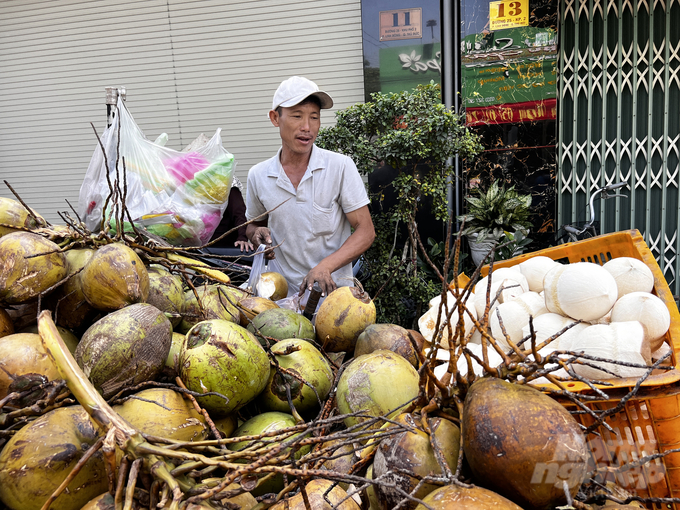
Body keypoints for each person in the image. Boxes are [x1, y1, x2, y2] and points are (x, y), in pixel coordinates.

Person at [245, 76, 375, 297]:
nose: (307, 127)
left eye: (314, 117)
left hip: (334, 298)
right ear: (275, 118)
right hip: (280, 297)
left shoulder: (340, 167)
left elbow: (365, 231)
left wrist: (326, 266)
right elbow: (253, 225)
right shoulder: (258, 175)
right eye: (297, 116)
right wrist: (256, 234)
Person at [209, 176, 254, 252]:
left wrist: (242, 238)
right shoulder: (190, 182)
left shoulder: (225, 178)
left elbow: (239, 212)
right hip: (194, 248)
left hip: (222, 248)